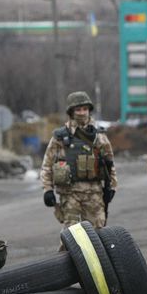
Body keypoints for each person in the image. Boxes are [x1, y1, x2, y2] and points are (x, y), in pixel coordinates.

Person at [40, 91, 117, 238]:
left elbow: (110, 164)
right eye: (78, 109)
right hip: (70, 195)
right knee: (72, 238)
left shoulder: (99, 136)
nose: (82, 113)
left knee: (98, 237)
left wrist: (112, 187)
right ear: (71, 112)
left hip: (94, 195)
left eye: (85, 109)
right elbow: (47, 165)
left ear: (89, 110)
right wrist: (47, 190)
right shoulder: (60, 137)